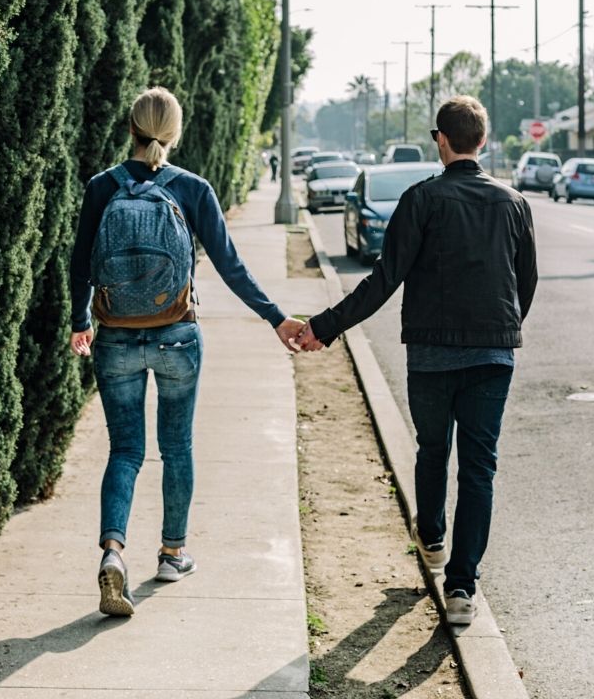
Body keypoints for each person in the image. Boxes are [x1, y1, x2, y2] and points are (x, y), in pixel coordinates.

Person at [297, 95, 537, 625]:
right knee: (480, 468)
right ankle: (461, 590)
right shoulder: (515, 203)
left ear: (441, 140)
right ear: (483, 140)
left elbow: (385, 281)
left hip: (431, 354)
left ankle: (430, 538)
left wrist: (323, 327)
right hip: (494, 356)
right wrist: (501, 329)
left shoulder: (422, 200)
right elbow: (527, 283)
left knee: (433, 449)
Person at [69, 87, 305, 617]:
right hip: (178, 335)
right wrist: (275, 317)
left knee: (125, 451)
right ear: (175, 134)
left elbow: (80, 263)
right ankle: (173, 553)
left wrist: (80, 321)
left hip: (117, 339)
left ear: (130, 128)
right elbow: (230, 265)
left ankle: (113, 552)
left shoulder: (102, 187)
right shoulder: (193, 189)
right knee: (176, 446)